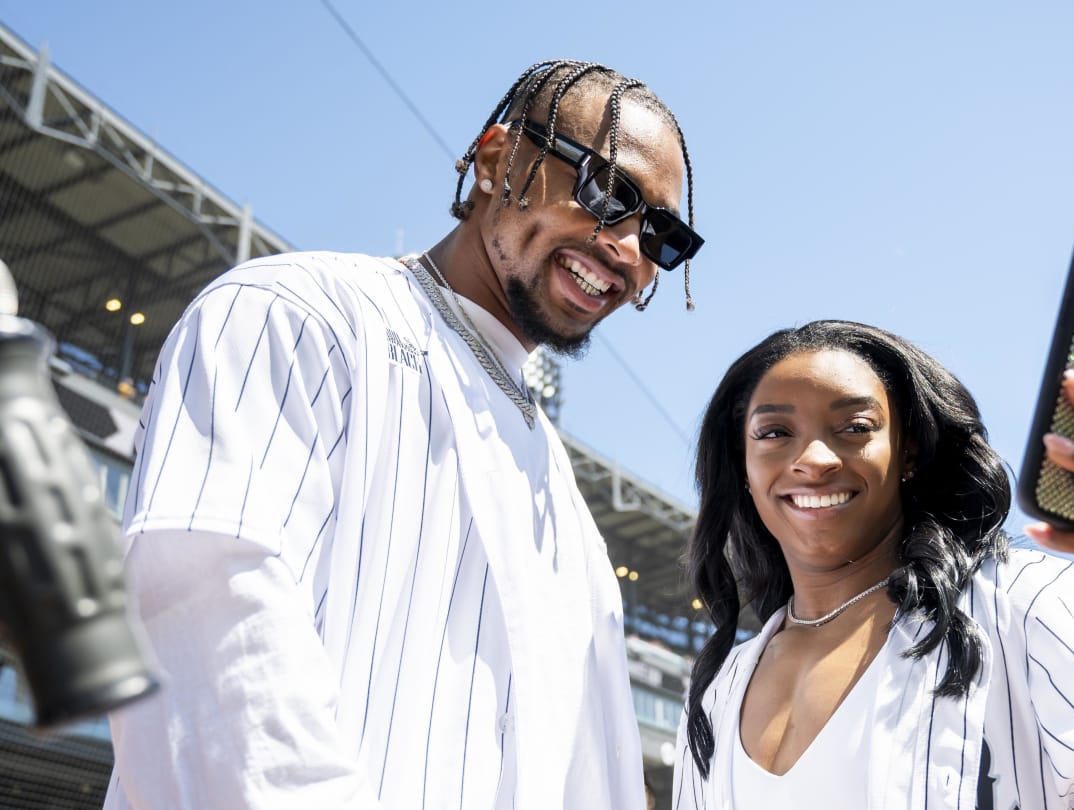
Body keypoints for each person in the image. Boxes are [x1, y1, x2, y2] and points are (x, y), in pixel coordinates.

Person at [104, 60, 703, 809]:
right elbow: (209, 629)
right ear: (495, 161)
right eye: (608, 194)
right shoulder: (296, 315)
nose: (628, 248)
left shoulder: (570, 508)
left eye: (663, 235)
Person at [674, 320, 1074, 809]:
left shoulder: (1018, 605)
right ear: (744, 466)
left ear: (907, 451)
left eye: (855, 427)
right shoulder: (717, 691)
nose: (813, 458)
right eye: (774, 433)